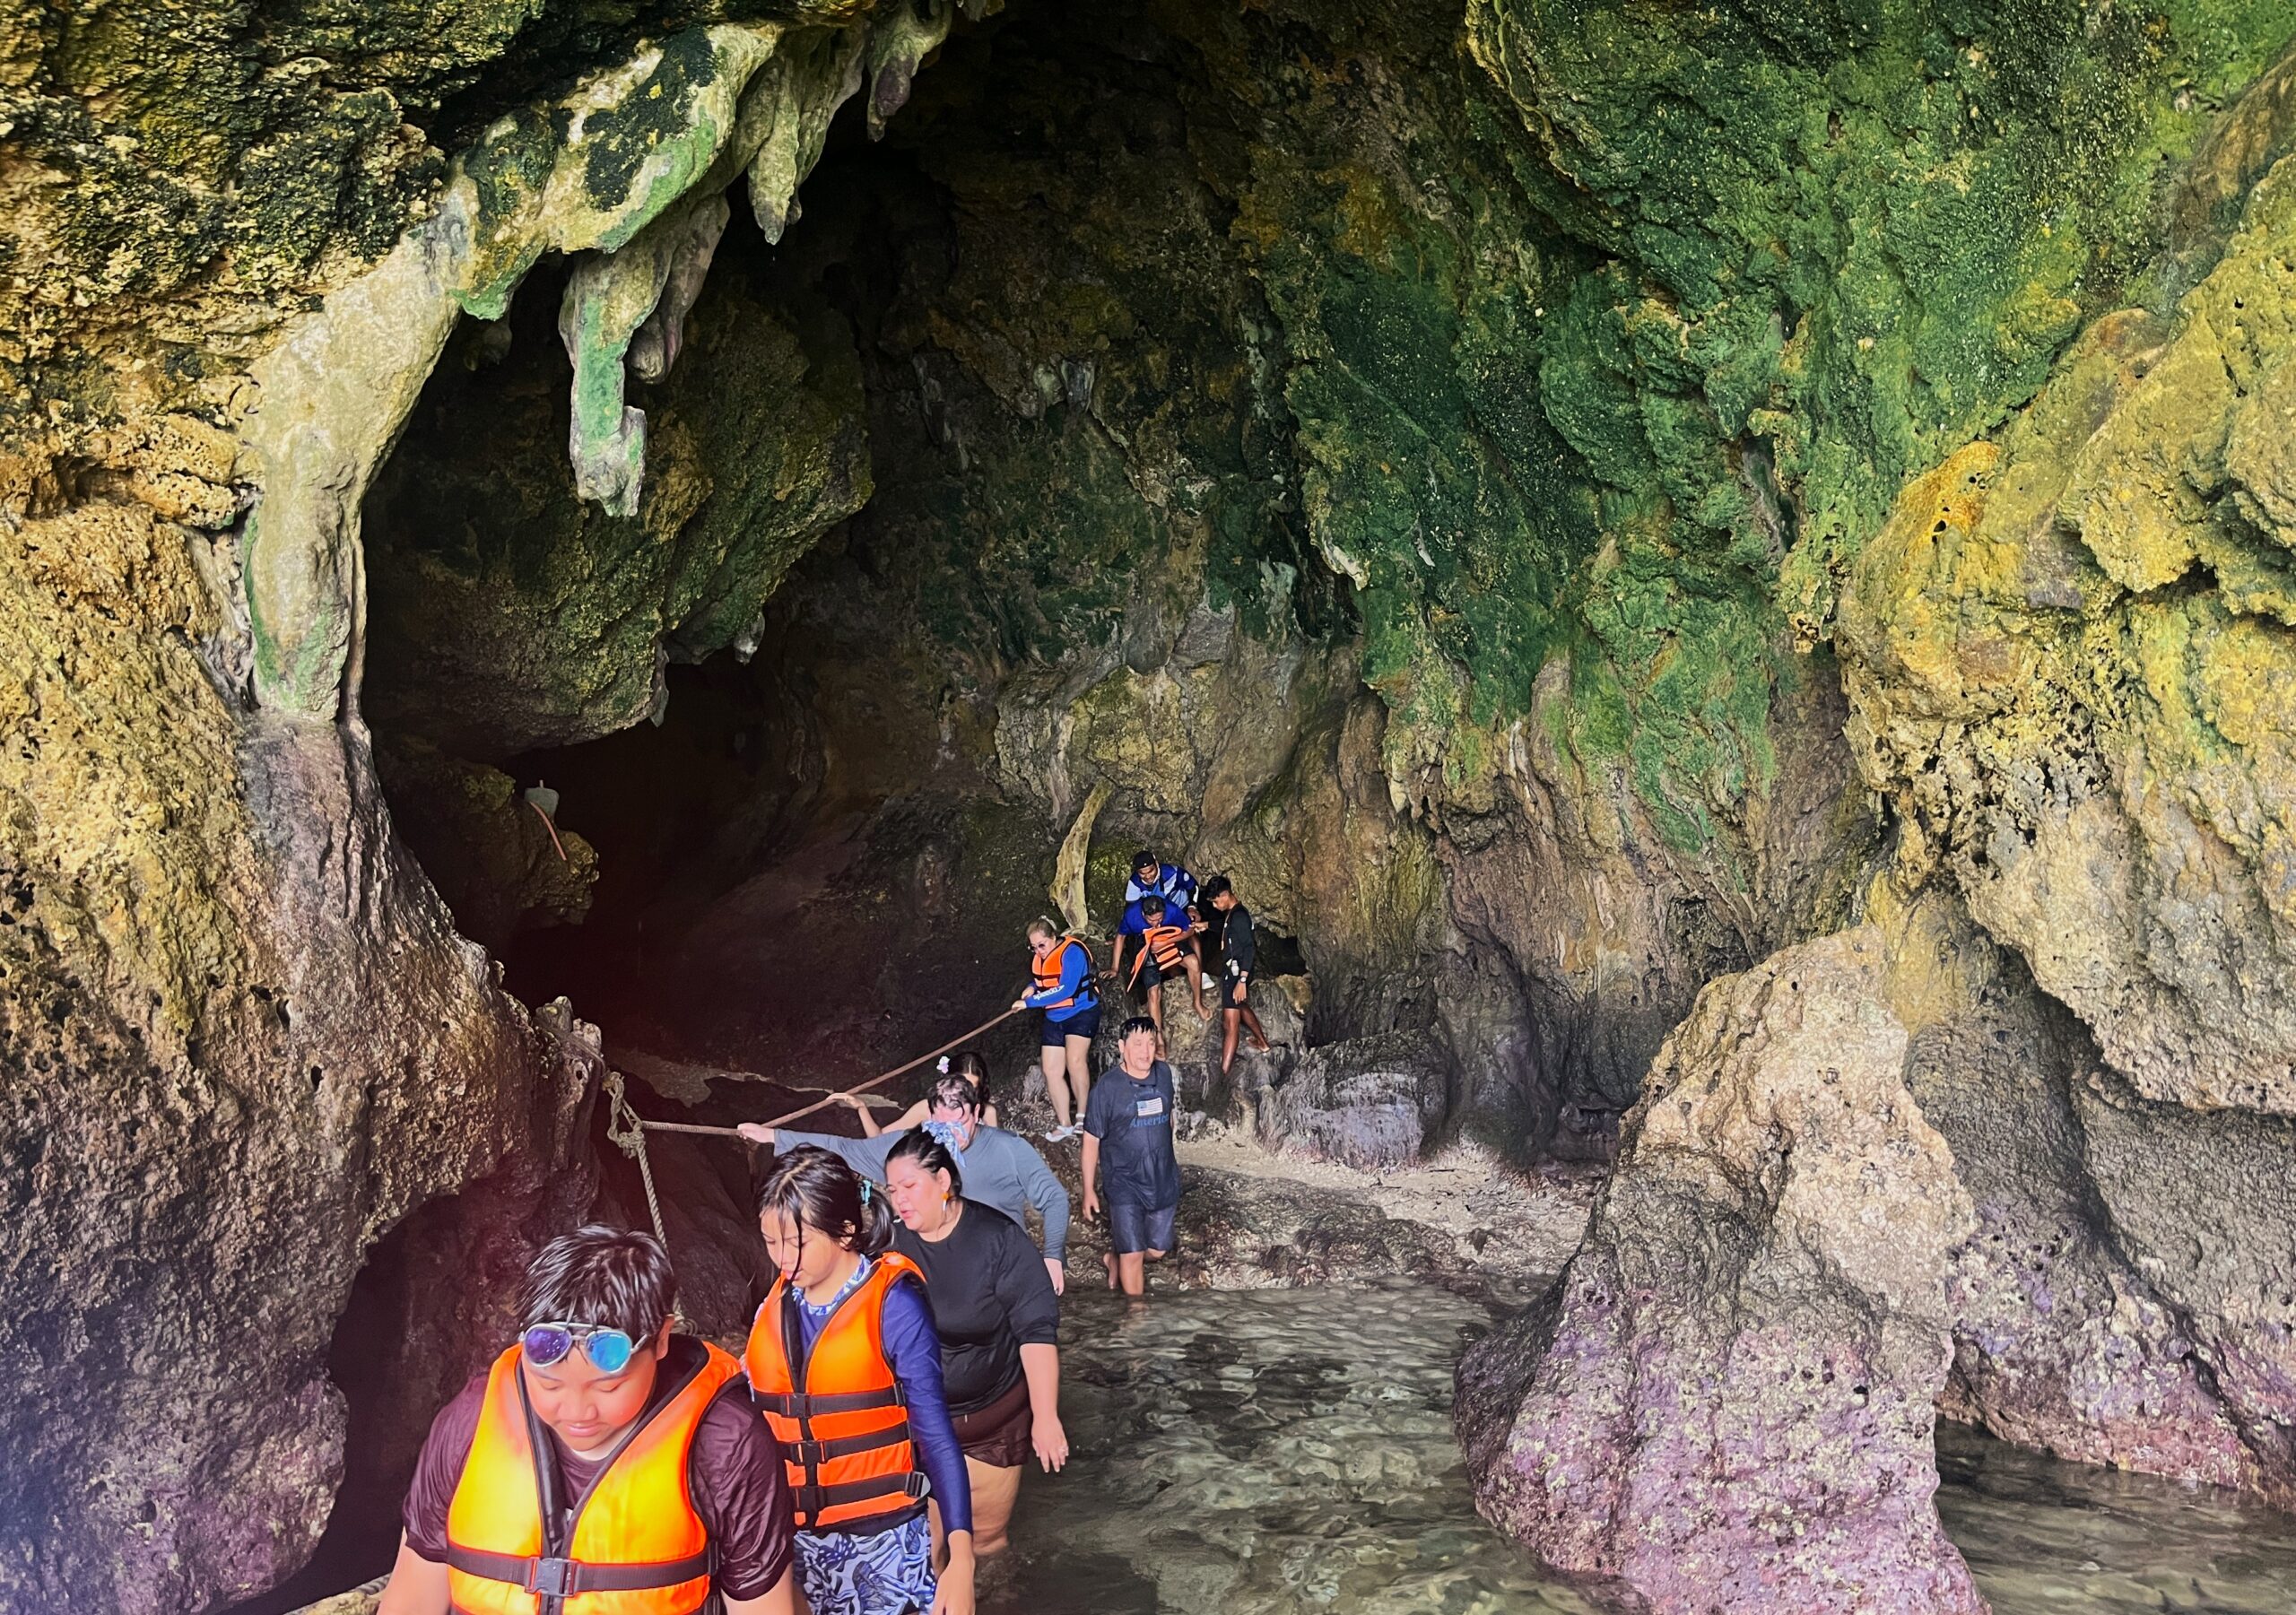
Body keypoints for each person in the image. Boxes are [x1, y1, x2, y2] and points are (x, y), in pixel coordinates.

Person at [376, 1226, 794, 1615]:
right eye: (551, 1385)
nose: (577, 1412)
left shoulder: (726, 1444)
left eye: (607, 1388)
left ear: (662, 1339)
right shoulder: (470, 1422)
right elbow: (413, 1596)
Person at [745, 1147, 976, 1615]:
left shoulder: (896, 1306)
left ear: (846, 1231)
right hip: (791, 1542)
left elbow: (935, 1436)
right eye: (771, 1242)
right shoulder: (774, 1302)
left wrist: (962, 1559)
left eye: (797, 1242)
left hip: (884, 1544)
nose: (783, 1259)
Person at [883, 1124, 1067, 1558]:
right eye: (892, 1190)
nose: (900, 1200)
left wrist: (1046, 1417)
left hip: (990, 1422)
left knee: (985, 1543)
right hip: (919, 1424)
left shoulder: (999, 1240)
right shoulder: (889, 1244)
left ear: (943, 1181)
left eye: (909, 1186)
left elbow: (1036, 1332)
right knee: (924, 1550)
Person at [740, 1075, 1070, 1295]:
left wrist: (1053, 1256)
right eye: (941, 1125)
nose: (952, 1135)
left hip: (1002, 1267)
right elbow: (845, 1149)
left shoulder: (1009, 1149)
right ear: (930, 1117)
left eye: (961, 1122)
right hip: (941, 1273)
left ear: (978, 1112)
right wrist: (773, 1136)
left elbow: (1054, 1197)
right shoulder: (911, 1148)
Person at [1081, 1016, 1183, 1298]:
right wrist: (1088, 1189)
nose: (1145, 1051)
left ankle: (1117, 1258)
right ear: (1121, 1047)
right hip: (1124, 1181)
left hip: (1162, 1178)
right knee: (1134, 1254)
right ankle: (1135, 1316)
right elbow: (1090, 1140)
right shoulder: (1107, 1088)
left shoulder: (1164, 1074)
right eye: (1137, 1044)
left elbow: (1168, 1118)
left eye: (1150, 1043)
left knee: (1158, 1249)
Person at [1013, 917, 1100, 1139]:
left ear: (1053, 937)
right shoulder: (1040, 956)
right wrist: (1031, 987)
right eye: (1033, 947)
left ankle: (1083, 1117)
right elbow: (1043, 979)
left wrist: (1030, 1003)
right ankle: (1064, 1124)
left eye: (1042, 945)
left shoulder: (1072, 953)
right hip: (1054, 1016)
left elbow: (1065, 989)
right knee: (1051, 1069)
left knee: (1075, 1061)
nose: (1038, 951)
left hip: (1080, 1012)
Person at [1111, 893, 1208, 1047]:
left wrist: (1166, 942)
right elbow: (1120, 937)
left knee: (1194, 963)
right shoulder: (1132, 915)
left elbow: (1189, 931)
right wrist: (1115, 968)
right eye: (1151, 921)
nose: (1156, 924)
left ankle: (1197, 1002)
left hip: (1169, 939)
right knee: (1154, 992)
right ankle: (1158, 1038)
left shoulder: (1171, 909)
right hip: (1147, 947)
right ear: (1144, 914)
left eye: (1159, 919)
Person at [1199, 874, 1272, 1075]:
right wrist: (1205, 925)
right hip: (1234, 970)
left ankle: (1223, 1073)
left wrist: (1242, 980)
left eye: (1215, 901)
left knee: (1230, 1024)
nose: (1214, 906)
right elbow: (1226, 928)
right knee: (1240, 1005)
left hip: (1236, 972)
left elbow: (1249, 947)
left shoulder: (1239, 916)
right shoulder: (1233, 913)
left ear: (1225, 895)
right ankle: (1263, 1043)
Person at [846, 1051, 1000, 1134]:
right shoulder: (927, 1108)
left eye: (973, 1088)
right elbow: (879, 1137)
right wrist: (861, 1108)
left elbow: (995, 1153)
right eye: (962, 1086)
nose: (966, 1094)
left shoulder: (987, 1112)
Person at [1122, 847, 1199, 918]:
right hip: (1155, 916)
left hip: (1181, 908)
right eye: (1142, 873)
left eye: (1151, 871)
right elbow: (1131, 908)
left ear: (1157, 864)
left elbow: (1193, 886)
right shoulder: (1135, 883)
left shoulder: (1173, 873)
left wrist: (1192, 907)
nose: (1148, 876)